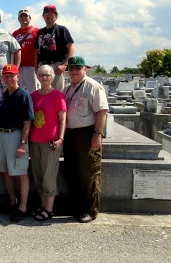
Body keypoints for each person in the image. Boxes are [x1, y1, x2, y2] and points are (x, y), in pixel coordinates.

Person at [62, 56, 108, 223]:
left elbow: (102, 112)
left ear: (85, 69)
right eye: (71, 68)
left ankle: (90, 210)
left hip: (87, 133)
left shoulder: (93, 87)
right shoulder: (67, 88)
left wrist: (97, 134)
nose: (73, 71)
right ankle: (77, 206)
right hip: (70, 134)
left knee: (88, 173)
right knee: (72, 172)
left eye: (77, 68)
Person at [0, 64, 34, 222]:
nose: (9, 78)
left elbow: (27, 122)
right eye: (6, 76)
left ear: (18, 77)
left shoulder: (23, 95)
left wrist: (22, 143)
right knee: (5, 171)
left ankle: (23, 207)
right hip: (2, 135)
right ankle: (12, 202)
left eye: (12, 75)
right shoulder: (5, 95)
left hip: (16, 135)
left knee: (21, 173)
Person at [29, 65, 66, 221]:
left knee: (49, 175)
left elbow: (63, 118)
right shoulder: (33, 95)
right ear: (37, 76)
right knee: (38, 175)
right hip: (34, 140)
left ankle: (49, 209)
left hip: (50, 141)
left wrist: (61, 138)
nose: (44, 78)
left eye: (47, 75)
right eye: (41, 75)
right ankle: (43, 206)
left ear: (52, 77)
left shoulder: (58, 95)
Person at [34, 5, 74, 91]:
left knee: (56, 92)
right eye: (46, 14)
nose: (49, 16)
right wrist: (36, 67)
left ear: (56, 16)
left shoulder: (61, 29)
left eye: (51, 14)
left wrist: (64, 65)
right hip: (43, 65)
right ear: (43, 16)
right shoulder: (40, 32)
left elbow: (71, 48)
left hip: (56, 65)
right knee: (44, 91)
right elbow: (37, 51)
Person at [0, 10, 21, 97]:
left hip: (4, 77)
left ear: (0, 22)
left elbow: (17, 50)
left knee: (5, 101)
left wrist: (15, 69)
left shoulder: (6, 34)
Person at [12, 9, 40, 94]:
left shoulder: (37, 31)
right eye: (21, 16)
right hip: (19, 67)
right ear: (18, 19)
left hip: (32, 67)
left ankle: (33, 107)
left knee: (33, 91)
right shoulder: (15, 33)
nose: (23, 18)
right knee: (18, 90)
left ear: (30, 18)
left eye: (26, 16)